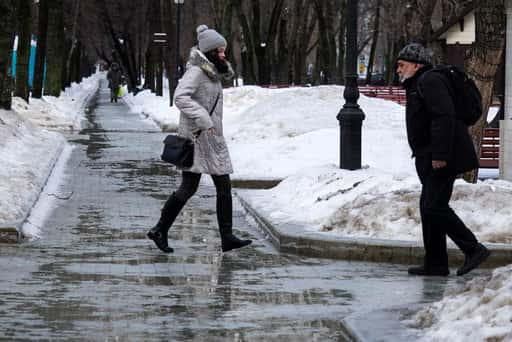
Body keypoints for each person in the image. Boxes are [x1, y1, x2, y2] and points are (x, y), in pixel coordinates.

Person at [147, 25, 252, 254]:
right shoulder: (196, 71)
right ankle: (161, 230)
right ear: (211, 51)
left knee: (214, 186)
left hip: (211, 138)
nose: (224, 54)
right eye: (221, 50)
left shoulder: (211, 71)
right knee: (198, 187)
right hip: (197, 138)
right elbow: (180, 97)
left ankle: (224, 236)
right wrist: (203, 117)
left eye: (224, 50)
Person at [396, 43, 490, 276]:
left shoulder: (429, 81)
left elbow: (444, 116)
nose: (398, 70)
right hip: (430, 155)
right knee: (428, 208)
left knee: (434, 206)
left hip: (443, 155)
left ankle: (473, 249)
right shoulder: (419, 83)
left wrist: (440, 155)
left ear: (416, 65)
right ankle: (436, 263)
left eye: (401, 65)